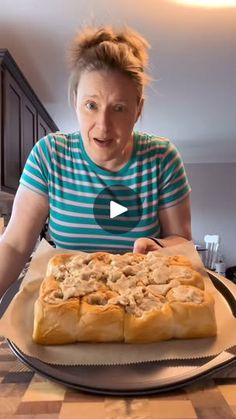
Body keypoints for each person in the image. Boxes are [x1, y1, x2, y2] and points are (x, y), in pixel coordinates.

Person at [0, 25, 191, 299]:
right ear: (75, 101)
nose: (103, 126)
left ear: (138, 110)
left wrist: (161, 246)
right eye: (91, 105)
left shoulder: (162, 158)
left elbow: (182, 242)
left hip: (141, 308)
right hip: (67, 305)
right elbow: (15, 246)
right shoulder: (49, 155)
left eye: (119, 108)